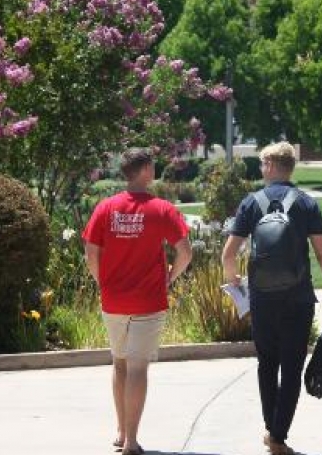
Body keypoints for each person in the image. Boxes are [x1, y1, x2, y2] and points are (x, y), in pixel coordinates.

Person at [221, 141, 322, 455]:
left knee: (266, 363)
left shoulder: (252, 203)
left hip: (263, 299)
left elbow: (228, 255)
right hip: (299, 298)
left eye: (262, 164)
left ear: (269, 166)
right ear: (290, 168)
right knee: (292, 367)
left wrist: (234, 280)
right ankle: (278, 437)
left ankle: (272, 431)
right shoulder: (306, 203)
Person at [83, 148, 192, 455]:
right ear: (144, 169)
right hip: (147, 300)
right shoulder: (162, 209)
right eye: (152, 166)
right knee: (138, 368)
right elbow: (185, 252)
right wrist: (170, 278)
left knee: (119, 363)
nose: (154, 170)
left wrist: (102, 282)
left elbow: (91, 254)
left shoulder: (106, 208)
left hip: (113, 299)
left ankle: (120, 431)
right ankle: (131, 441)